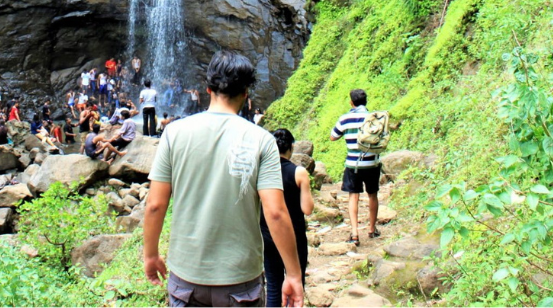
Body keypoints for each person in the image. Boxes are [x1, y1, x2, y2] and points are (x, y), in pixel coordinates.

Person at [143, 50, 303, 307]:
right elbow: (275, 213)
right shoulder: (262, 140)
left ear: (208, 89)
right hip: (240, 279)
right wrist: (293, 274)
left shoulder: (173, 133)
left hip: (186, 277)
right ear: (246, 93)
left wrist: (150, 255)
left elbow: (155, 204)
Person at [262, 128, 314, 307]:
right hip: (294, 236)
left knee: (274, 287)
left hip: (268, 236)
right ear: (291, 148)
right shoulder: (299, 172)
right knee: (296, 284)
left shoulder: (263, 172)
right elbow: (307, 209)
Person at [330, 88, 382, 243]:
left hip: (353, 164)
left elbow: (333, 137)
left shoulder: (345, 118)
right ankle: (372, 229)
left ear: (351, 102)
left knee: (354, 196)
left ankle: (354, 234)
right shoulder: (373, 118)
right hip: (372, 162)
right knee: (372, 195)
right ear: (365, 102)